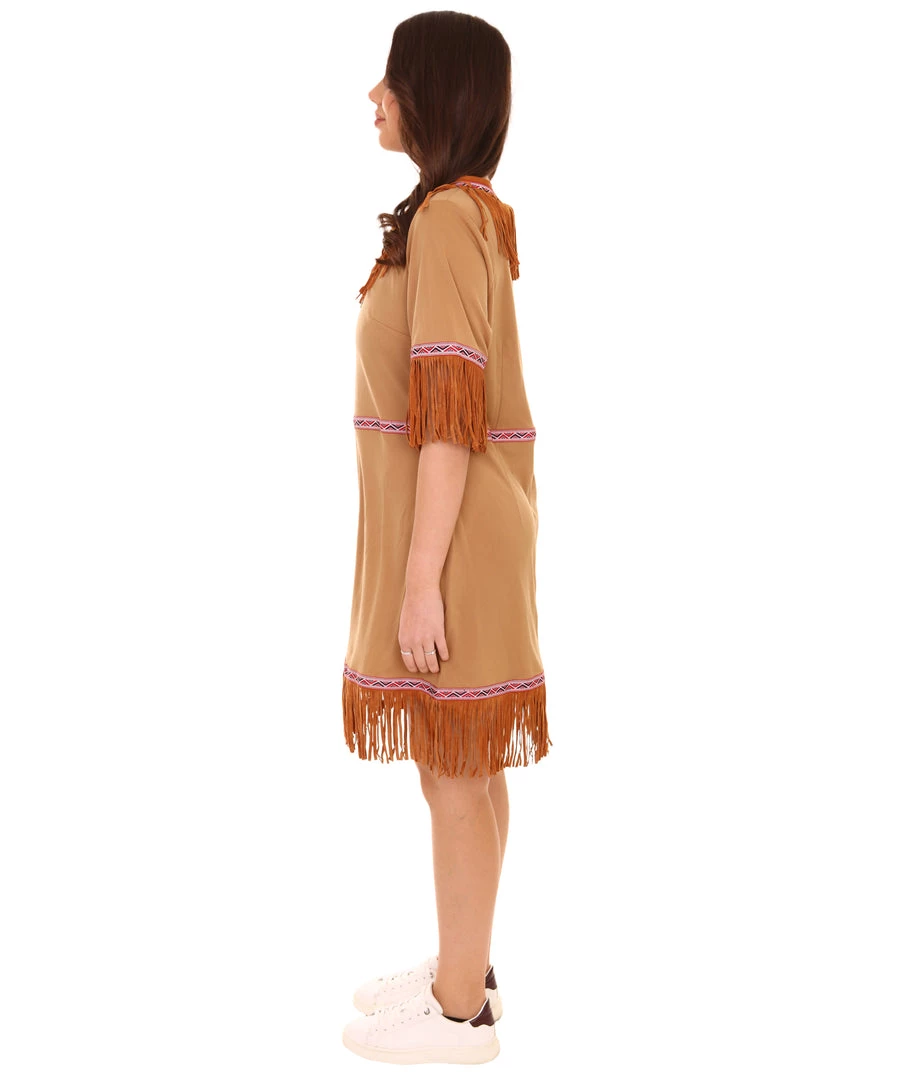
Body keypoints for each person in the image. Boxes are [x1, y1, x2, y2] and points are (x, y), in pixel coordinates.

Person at [340, 12, 551, 1065]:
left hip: (454, 536)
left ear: (436, 93)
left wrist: (420, 579)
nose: (372, 96)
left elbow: (448, 417)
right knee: (459, 758)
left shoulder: (450, 219)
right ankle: (464, 970)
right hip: (457, 527)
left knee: (451, 765)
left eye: (391, 79)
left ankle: (457, 1013)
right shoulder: (455, 213)